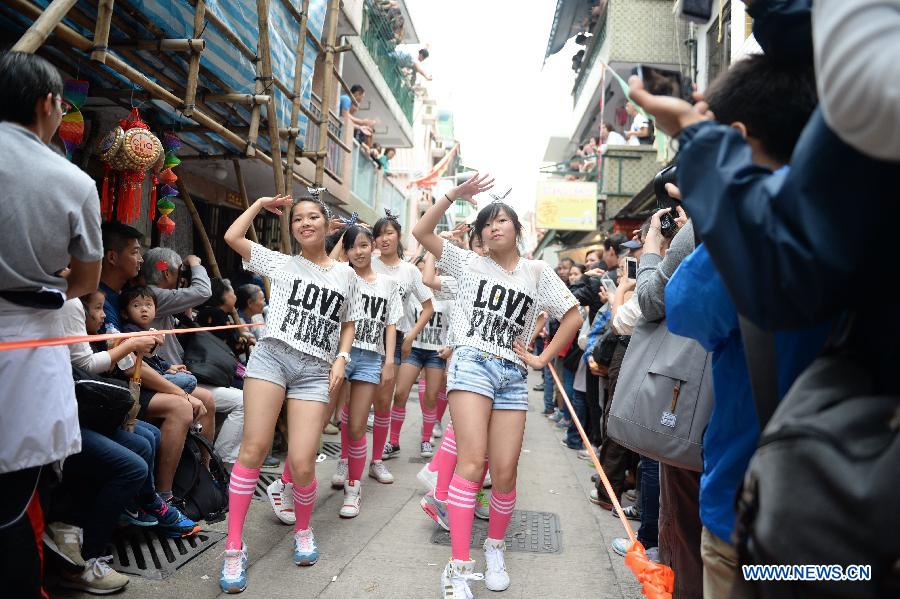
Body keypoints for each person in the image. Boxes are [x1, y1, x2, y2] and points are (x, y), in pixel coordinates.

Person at [662, 51, 827, 599]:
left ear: (734, 136)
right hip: (859, 515)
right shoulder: (862, 214)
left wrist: (715, 211)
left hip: (751, 511)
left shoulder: (746, 236)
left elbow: (683, 308)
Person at [413, 175, 582, 598]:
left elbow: (573, 316)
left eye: (502, 220)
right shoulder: (468, 264)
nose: (494, 227)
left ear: (517, 229)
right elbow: (421, 232)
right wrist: (453, 195)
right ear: (480, 235)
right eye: (486, 223)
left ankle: (494, 547)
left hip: (512, 374)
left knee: (505, 472)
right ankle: (457, 566)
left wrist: (542, 359)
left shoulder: (538, 272)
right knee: (472, 463)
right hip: (471, 364)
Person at [0, 51, 102, 598]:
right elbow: (86, 281)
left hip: (26, 336)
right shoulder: (72, 181)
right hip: (24, 343)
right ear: (47, 104)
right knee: (12, 499)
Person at [219, 192, 357, 593]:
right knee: (253, 448)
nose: (305, 223)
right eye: (298, 219)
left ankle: (302, 530)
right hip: (272, 359)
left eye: (313, 217)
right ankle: (233, 546)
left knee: (302, 462)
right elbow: (231, 236)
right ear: (292, 227)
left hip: (315, 371)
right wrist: (260, 206)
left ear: (330, 225)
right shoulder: (280, 263)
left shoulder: (345, 275)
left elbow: (347, 322)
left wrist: (342, 358)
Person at [143, 248, 249, 467]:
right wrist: (195, 263)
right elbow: (202, 291)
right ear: (165, 273)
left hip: (180, 372)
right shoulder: (154, 297)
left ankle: (213, 462)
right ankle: (220, 464)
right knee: (241, 402)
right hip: (171, 376)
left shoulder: (163, 299)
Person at [326, 225, 401, 518]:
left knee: (357, 426)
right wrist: (339, 238)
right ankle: (296, 482)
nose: (358, 252)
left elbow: (391, 323)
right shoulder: (340, 277)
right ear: (345, 251)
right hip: (339, 356)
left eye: (363, 245)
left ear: (373, 247)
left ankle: (353, 489)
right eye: (351, 247)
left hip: (371, 358)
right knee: (324, 417)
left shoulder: (387, 284)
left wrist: (390, 360)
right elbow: (329, 265)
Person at [369, 211, 434, 481]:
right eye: (379, 235)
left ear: (398, 236)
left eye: (389, 233)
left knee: (385, 401)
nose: (384, 239)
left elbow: (428, 307)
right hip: (365, 337)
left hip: (396, 342)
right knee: (357, 402)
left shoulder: (409, 271)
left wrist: (410, 337)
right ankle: (346, 462)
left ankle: (376, 459)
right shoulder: (367, 262)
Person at [119, 286, 198, 394]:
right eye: (136, 305)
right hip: (143, 381)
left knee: (187, 377)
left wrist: (168, 366)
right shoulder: (130, 331)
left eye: (148, 304)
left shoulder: (142, 330)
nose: (144, 309)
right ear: (125, 313)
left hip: (156, 373)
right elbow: (144, 359)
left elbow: (152, 358)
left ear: (155, 310)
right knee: (190, 380)